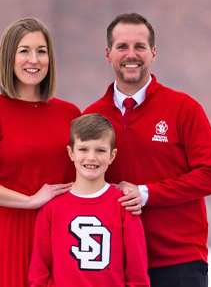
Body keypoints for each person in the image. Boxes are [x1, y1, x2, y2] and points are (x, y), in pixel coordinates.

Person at [83, 13, 211, 287]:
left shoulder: (184, 109)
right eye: (122, 47)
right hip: (112, 260)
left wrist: (146, 193)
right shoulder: (92, 116)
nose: (131, 55)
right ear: (108, 53)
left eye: (140, 47)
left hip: (178, 262)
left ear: (153, 53)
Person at [0, 18, 82, 287]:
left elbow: (85, 172)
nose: (34, 59)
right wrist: (30, 201)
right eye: (24, 50)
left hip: (61, 232)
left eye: (41, 50)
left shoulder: (70, 113)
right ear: (9, 58)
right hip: (10, 232)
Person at [28, 114, 150, 287]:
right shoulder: (52, 208)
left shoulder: (125, 205)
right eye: (83, 149)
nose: (91, 157)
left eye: (100, 150)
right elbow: (39, 273)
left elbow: (137, 275)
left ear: (112, 156)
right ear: (70, 153)